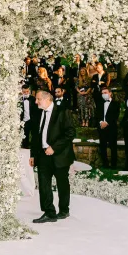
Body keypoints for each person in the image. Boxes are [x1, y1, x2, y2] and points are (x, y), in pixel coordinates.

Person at [29, 90, 76, 223]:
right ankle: (49, 212)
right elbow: (36, 136)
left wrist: (54, 148)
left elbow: (70, 133)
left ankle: (64, 210)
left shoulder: (62, 111)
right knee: (43, 184)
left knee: (62, 184)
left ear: (46, 99)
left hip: (60, 155)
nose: (36, 102)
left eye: (38, 99)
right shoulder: (38, 113)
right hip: (43, 155)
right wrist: (33, 155)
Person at [96, 86, 120, 168]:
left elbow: (115, 116)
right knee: (102, 146)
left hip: (111, 127)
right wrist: (101, 122)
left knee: (113, 147)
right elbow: (97, 115)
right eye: (102, 93)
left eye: (105, 93)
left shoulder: (116, 103)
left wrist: (106, 122)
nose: (104, 95)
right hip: (101, 127)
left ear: (110, 93)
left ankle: (114, 165)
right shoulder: (99, 103)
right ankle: (105, 164)